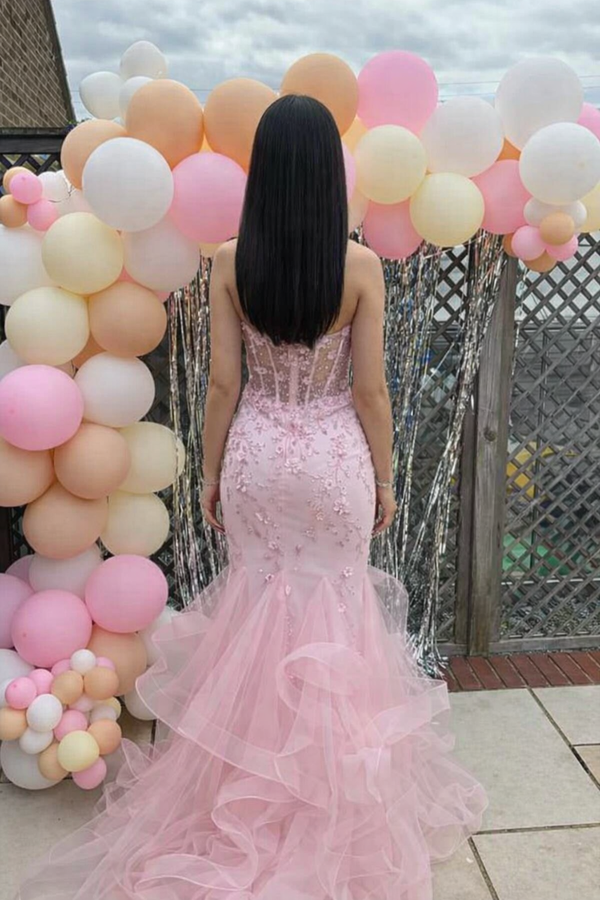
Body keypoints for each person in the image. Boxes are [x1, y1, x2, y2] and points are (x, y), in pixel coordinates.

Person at [16, 94, 488, 900]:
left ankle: (244, 797)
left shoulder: (231, 263)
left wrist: (208, 474)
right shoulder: (361, 267)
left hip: (258, 460)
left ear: (263, 172)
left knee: (257, 609)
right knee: (335, 615)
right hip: (334, 460)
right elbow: (370, 392)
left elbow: (224, 386)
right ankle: (331, 804)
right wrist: (382, 478)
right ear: (330, 177)